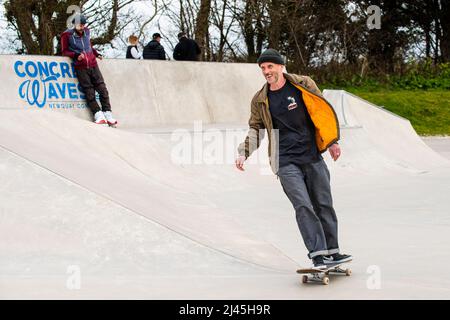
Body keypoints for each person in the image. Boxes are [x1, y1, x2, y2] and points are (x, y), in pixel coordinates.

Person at [235, 49, 352, 269]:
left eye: (270, 67)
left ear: (281, 66)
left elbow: (322, 113)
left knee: (323, 204)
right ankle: (318, 254)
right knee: (303, 205)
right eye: (263, 68)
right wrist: (244, 152)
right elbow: (256, 129)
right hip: (285, 161)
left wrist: (332, 141)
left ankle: (333, 252)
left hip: (312, 156)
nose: (266, 72)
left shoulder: (303, 84)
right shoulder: (260, 99)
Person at [60, 14, 117, 126]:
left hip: (93, 64)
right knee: (89, 91)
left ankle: (108, 113)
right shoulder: (66, 35)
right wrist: (76, 55)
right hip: (81, 67)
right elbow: (64, 51)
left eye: (83, 25)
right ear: (74, 24)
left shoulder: (87, 31)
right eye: (79, 25)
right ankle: (98, 114)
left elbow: (89, 46)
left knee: (102, 89)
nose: (82, 27)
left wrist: (96, 54)